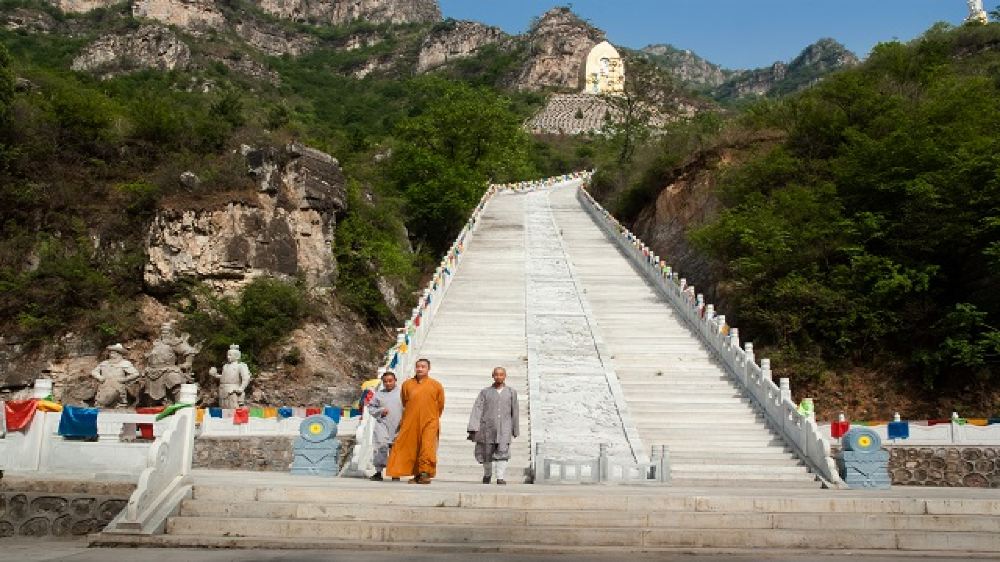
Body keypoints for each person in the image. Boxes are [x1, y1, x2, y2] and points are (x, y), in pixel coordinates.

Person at [385, 358, 445, 485]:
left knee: (427, 447)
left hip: (430, 421)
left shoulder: (436, 385)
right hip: (411, 420)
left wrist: (433, 417)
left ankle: (424, 473)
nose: (420, 369)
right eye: (418, 366)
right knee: (412, 447)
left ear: (429, 368)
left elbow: (440, 405)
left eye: (423, 366)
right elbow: (405, 402)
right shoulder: (407, 384)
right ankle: (417, 474)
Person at [467, 366, 519, 485]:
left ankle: (500, 477)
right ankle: (487, 474)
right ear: (492, 376)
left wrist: (515, 429)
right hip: (487, 427)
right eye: (496, 374)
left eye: (501, 374)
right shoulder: (485, 392)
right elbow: (477, 409)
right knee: (486, 453)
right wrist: (473, 427)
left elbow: (515, 411)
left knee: (503, 452)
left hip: (504, 427)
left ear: (505, 376)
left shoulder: (511, 392)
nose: (498, 377)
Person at [368, 371, 403, 482]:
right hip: (382, 424)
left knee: (395, 449)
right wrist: (380, 411)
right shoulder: (378, 394)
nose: (388, 383)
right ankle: (378, 472)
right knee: (381, 446)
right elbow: (371, 408)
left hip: (398, 425)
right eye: (385, 382)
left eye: (390, 381)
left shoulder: (402, 393)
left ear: (395, 380)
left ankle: (395, 473)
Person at [91, 343, 142, 408]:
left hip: (118, 388)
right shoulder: (104, 363)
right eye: (110, 353)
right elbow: (94, 371)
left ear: (119, 354)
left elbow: (135, 373)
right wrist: (99, 377)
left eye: (113, 353)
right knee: (100, 404)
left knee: (118, 404)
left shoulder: (125, 363)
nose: (111, 354)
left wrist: (124, 379)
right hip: (104, 388)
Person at [208, 344, 251, 408]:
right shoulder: (225, 366)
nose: (228, 357)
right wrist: (215, 375)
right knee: (223, 407)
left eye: (230, 355)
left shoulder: (240, 366)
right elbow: (224, 377)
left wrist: (241, 388)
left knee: (233, 407)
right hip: (223, 389)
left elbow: (246, 378)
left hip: (233, 389)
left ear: (236, 356)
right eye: (228, 355)